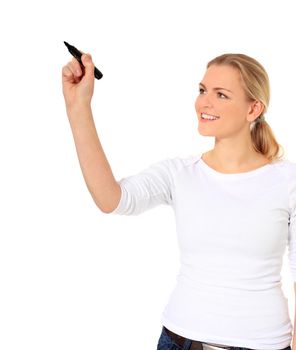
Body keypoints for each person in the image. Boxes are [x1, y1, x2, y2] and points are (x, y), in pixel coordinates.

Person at [62, 52, 296, 350]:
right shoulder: (179, 174)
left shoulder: (288, 181)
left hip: (263, 343)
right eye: (202, 90)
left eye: (221, 94)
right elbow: (112, 199)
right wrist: (78, 107)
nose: (204, 103)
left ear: (253, 109)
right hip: (179, 340)